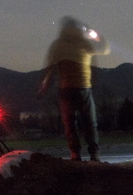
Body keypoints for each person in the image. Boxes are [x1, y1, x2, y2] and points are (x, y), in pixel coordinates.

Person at [37, 16, 111, 162]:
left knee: (70, 122)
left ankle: (75, 154)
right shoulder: (83, 43)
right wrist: (97, 35)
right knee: (90, 121)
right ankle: (94, 154)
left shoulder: (57, 44)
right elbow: (105, 49)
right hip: (83, 86)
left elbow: (49, 67)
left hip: (65, 88)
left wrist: (43, 86)